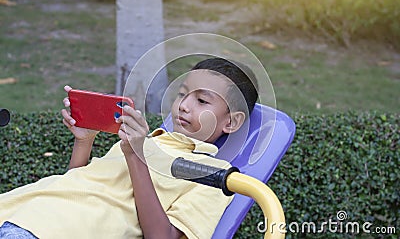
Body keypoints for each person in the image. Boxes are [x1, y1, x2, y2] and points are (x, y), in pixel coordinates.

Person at [0, 57, 258, 239]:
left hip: (47, 230)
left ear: (232, 121)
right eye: (182, 94)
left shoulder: (215, 175)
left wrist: (136, 156)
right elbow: (77, 186)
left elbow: (161, 237)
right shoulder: (145, 140)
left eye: (202, 100)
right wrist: (84, 141)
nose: (184, 105)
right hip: (19, 210)